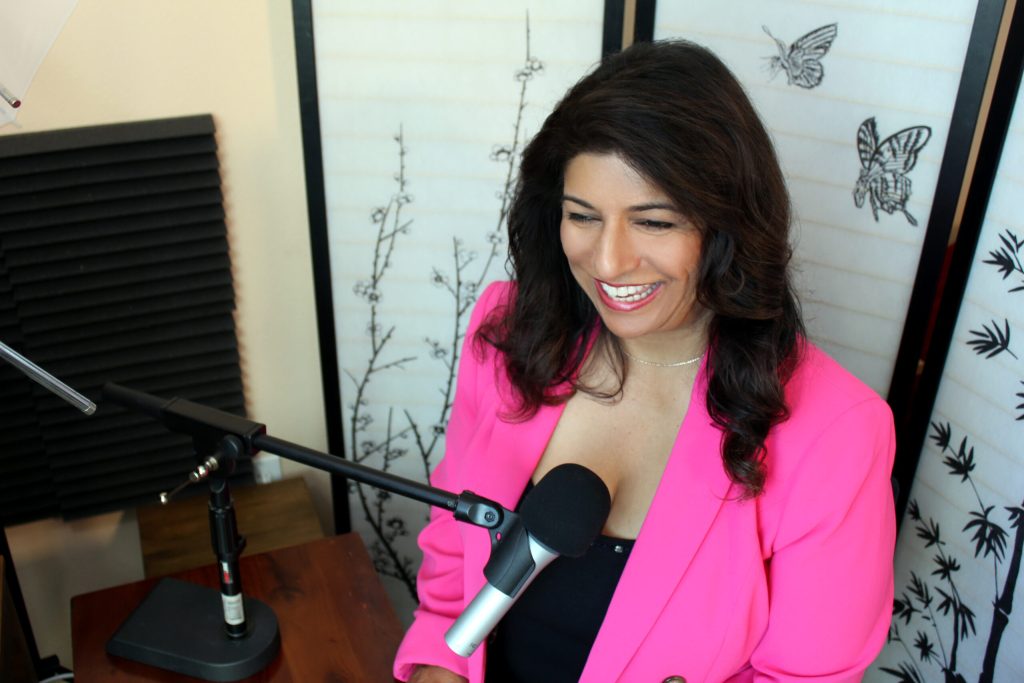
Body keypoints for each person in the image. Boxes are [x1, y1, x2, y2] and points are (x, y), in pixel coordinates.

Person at [394, 39, 896, 683]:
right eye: (582, 216)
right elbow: (451, 561)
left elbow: (806, 675)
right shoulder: (510, 331)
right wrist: (438, 666)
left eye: (654, 222)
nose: (608, 262)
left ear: (728, 227)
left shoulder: (837, 432)